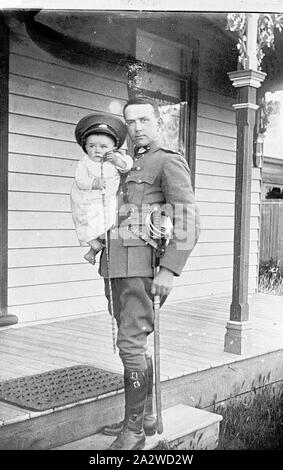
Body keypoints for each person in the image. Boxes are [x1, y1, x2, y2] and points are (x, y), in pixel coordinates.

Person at [99, 96, 201, 450]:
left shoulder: (167, 162)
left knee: (130, 342)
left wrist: (170, 270)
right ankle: (145, 417)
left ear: (158, 122)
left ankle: (135, 431)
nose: (137, 127)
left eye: (144, 120)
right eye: (130, 122)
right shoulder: (123, 163)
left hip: (144, 268)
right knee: (132, 340)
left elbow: (188, 219)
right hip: (116, 265)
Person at [70, 114, 133, 265]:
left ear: (114, 148)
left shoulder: (115, 158)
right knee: (88, 221)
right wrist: (93, 183)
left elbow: (127, 166)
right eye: (92, 146)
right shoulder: (84, 163)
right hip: (88, 199)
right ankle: (93, 245)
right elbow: (80, 180)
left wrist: (117, 160)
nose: (97, 151)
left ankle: (94, 250)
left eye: (103, 147)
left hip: (108, 199)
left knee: (108, 223)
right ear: (85, 146)